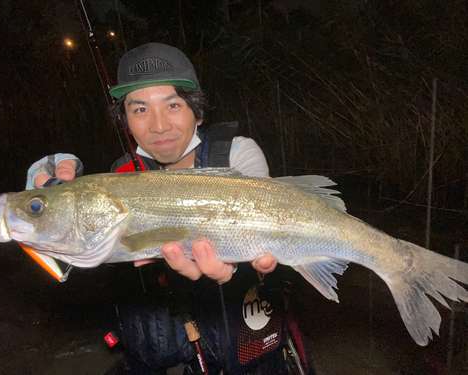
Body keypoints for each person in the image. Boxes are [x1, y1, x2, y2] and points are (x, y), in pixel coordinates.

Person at [27, 43, 308, 375]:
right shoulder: (121, 176)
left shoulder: (237, 154)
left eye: (173, 105)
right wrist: (48, 195)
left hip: (245, 352)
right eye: (140, 109)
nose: (158, 125)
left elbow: (270, 226)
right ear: (125, 121)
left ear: (198, 112)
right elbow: (79, 244)